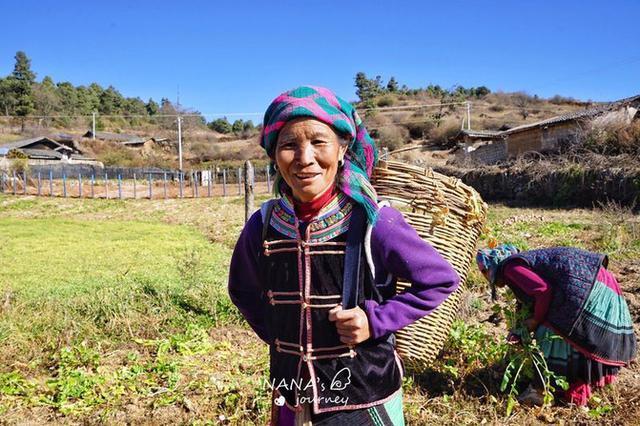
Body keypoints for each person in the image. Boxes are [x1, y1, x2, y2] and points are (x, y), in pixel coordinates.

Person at [228, 86, 460, 425]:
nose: (305, 158)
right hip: (291, 399)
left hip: (363, 401)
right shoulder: (263, 225)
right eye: (289, 145)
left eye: (319, 142)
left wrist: (375, 321)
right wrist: (282, 334)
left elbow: (439, 279)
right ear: (274, 156)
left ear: (342, 149)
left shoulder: (374, 222)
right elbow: (243, 291)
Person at [476, 244, 637, 406]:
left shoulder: (510, 268)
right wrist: (520, 330)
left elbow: (542, 291)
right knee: (562, 331)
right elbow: (529, 303)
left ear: (493, 264)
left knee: (549, 332)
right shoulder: (518, 264)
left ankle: (541, 391)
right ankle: (573, 387)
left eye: (484, 270)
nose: (484, 275)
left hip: (590, 287)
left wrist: (535, 321)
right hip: (598, 281)